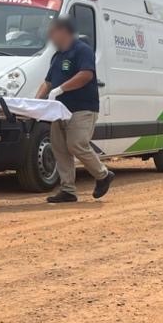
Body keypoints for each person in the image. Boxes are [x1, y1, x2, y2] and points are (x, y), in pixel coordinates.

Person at [35, 17, 114, 203]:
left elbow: (86, 74)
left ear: (64, 31)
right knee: (60, 148)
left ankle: (103, 175)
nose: (50, 37)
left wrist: (61, 89)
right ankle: (68, 190)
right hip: (59, 110)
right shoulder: (57, 56)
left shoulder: (82, 50)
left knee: (76, 144)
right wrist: (36, 103)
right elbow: (47, 82)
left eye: (52, 32)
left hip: (82, 108)